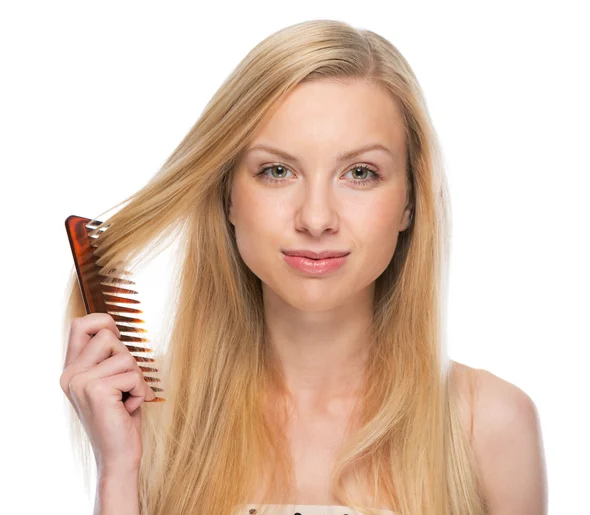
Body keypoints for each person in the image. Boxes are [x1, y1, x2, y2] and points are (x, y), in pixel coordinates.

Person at [59, 19, 547, 515]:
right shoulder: (155, 424)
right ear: (229, 196)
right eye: (277, 171)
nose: (316, 218)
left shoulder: (488, 424)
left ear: (409, 203)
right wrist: (118, 472)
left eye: (360, 173)